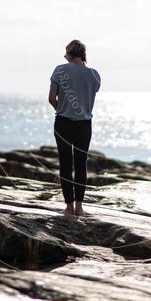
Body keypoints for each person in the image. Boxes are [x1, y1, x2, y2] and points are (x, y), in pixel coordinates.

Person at [48, 39, 101, 216]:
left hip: (63, 123)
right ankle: (79, 207)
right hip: (84, 125)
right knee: (81, 165)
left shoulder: (61, 70)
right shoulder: (94, 75)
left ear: (70, 54)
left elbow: (51, 98)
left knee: (65, 164)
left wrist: (61, 108)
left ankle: (69, 207)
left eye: (66, 54)